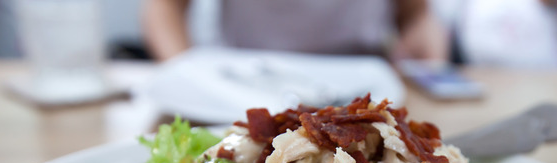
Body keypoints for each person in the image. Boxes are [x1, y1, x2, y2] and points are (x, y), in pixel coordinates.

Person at [142, 0, 450, 62]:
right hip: (245, 79)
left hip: (365, 88)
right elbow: (164, 7)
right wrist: (184, 70)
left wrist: (425, 46)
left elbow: (416, 16)